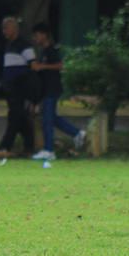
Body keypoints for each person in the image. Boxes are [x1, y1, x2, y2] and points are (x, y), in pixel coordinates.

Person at [29, 23, 86, 160]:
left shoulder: (51, 50)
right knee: (51, 117)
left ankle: (49, 150)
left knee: (47, 120)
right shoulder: (43, 51)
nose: (34, 38)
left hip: (52, 89)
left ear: (44, 35)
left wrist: (41, 67)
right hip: (47, 89)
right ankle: (77, 133)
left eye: (36, 35)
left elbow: (59, 65)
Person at [0, 16, 36, 158]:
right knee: (20, 118)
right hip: (10, 88)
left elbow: (32, 65)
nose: (4, 31)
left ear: (14, 29)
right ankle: (29, 145)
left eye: (6, 28)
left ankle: (5, 146)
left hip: (19, 88)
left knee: (14, 118)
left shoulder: (23, 44)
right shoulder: (9, 44)